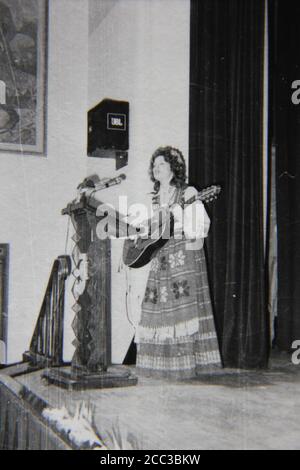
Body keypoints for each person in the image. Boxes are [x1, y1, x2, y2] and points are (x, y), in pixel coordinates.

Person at [135, 146, 222, 379]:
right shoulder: (154, 198)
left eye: (161, 164)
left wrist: (179, 217)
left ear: (174, 168)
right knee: (157, 306)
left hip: (182, 254)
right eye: (154, 165)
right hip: (160, 258)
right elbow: (151, 230)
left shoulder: (188, 192)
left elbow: (200, 225)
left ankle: (184, 365)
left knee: (183, 306)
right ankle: (161, 365)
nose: (157, 168)